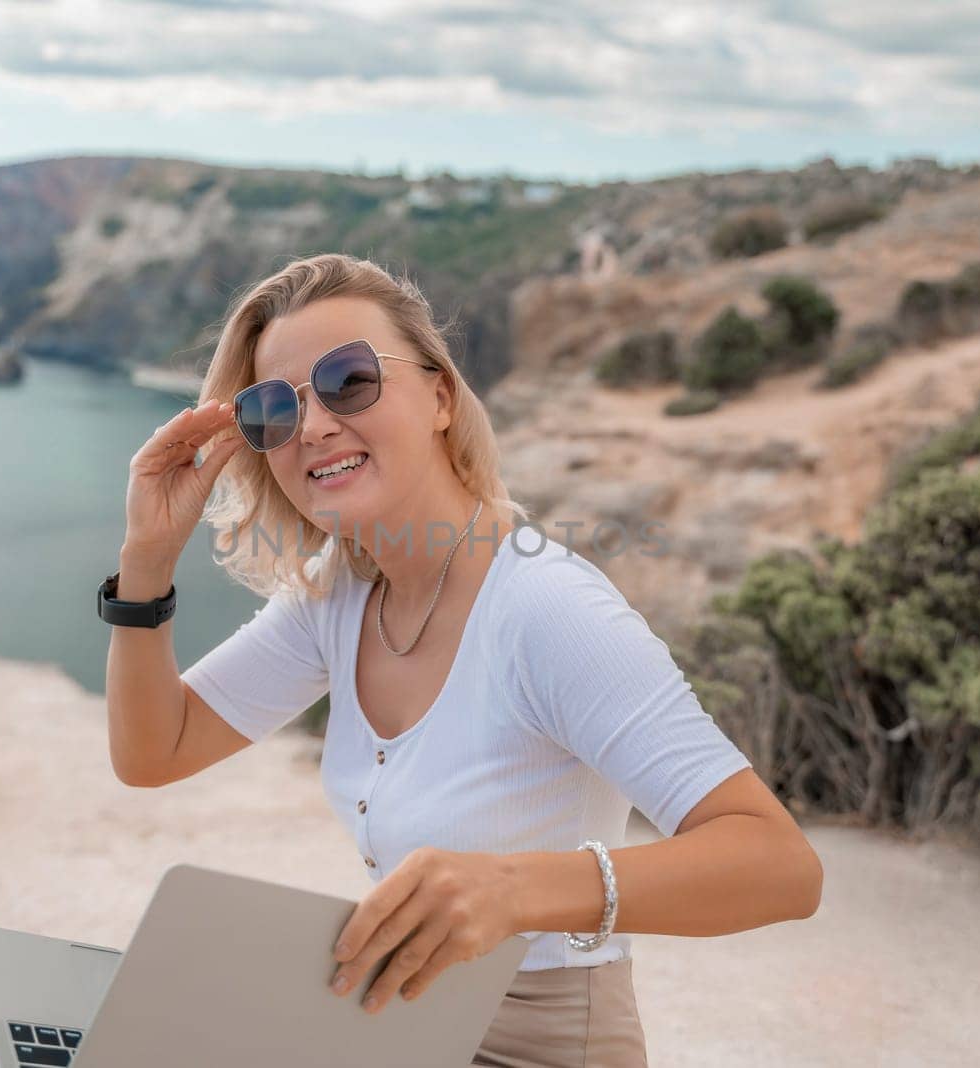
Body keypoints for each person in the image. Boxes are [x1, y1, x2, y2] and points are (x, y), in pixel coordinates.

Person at [102, 252, 823, 1067]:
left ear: (441, 396)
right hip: (401, 1030)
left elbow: (782, 866)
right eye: (272, 409)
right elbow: (153, 752)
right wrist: (147, 557)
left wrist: (515, 891)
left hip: (541, 1043)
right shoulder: (334, 599)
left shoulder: (546, 611)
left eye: (350, 380)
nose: (312, 426)